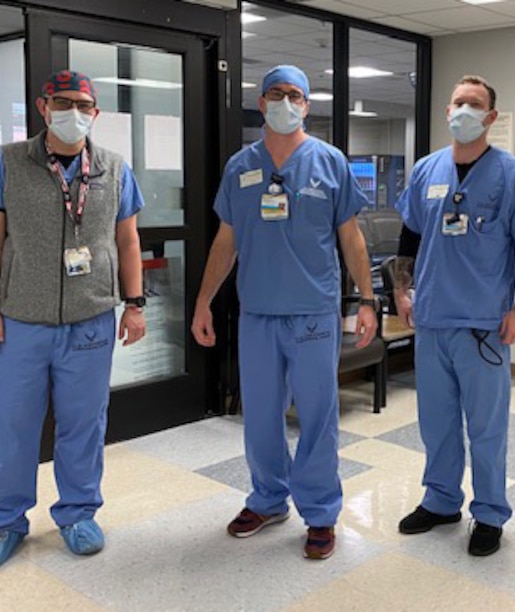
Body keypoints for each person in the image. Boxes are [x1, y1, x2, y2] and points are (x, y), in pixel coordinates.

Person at [191, 65, 377, 561]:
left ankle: (319, 512)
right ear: (261, 99)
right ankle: (268, 499)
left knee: (318, 416)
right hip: (258, 313)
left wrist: (367, 298)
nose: (285, 102)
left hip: (313, 312)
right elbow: (226, 241)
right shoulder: (240, 167)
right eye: (277, 93)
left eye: (295, 95)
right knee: (261, 417)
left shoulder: (329, 162)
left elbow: (351, 237)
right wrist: (204, 301)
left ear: (307, 106)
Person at [0, 70, 146, 571]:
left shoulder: (113, 167)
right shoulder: (9, 163)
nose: (75, 113)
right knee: (10, 426)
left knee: (83, 425)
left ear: (96, 112)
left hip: (90, 319)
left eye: (84, 105)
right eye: (63, 102)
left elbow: (128, 240)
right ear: (43, 108)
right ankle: (2, 522)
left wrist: (134, 304)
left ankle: (78, 513)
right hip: (21, 318)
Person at [393, 75, 515, 556]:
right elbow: (410, 238)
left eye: (475, 104)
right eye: (458, 102)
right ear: (446, 110)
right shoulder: (426, 170)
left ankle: (490, 513)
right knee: (435, 421)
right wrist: (402, 292)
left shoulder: (512, 173)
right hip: (434, 318)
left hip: (484, 323)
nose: (464, 111)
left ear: (491, 117)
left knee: (486, 426)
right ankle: (440, 501)